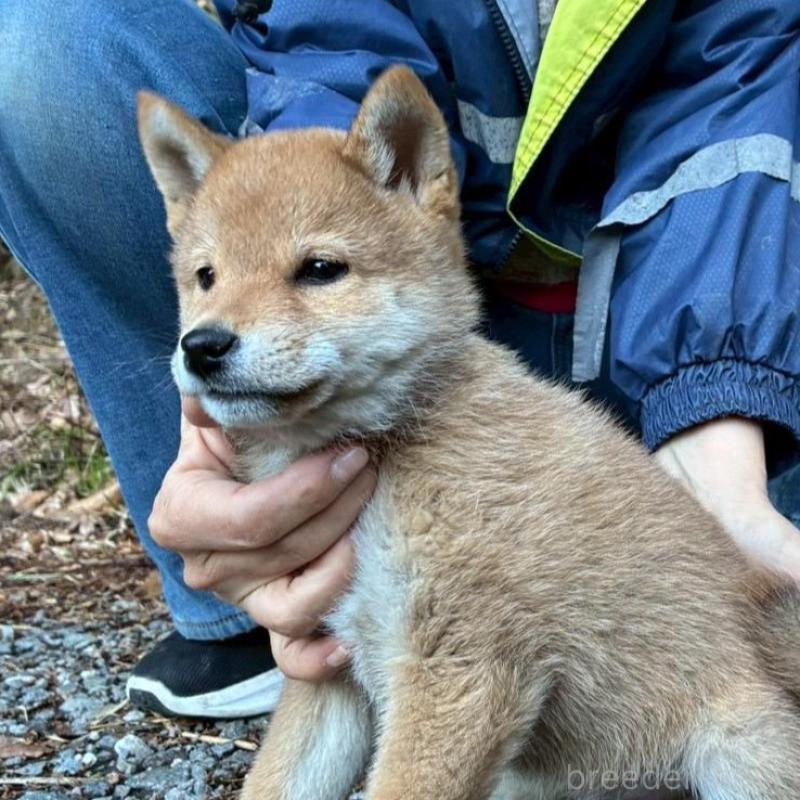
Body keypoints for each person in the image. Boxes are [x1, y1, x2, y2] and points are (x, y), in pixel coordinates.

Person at [1, 0, 799, 719]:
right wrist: (225, 432)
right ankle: (262, 597)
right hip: (400, 355)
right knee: (39, 41)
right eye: (205, 279)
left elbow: (737, 92)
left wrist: (720, 445)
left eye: (315, 270)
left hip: (678, 343)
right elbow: (324, 46)